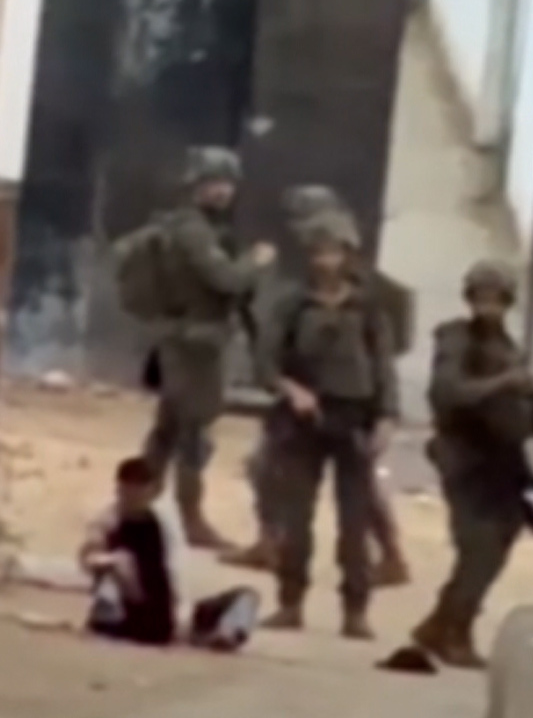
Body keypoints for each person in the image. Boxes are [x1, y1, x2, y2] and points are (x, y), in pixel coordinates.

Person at [223, 185, 413, 588]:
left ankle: (388, 554)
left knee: (354, 483)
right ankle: (272, 541)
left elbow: (388, 344)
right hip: (301, 392)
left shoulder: (368, 290)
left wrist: (376, 398)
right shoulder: (302, 284)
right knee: (269, 468)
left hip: (346, 399)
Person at [254, 210, 397, 639]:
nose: (326, 261)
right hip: (302, 421)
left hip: (353, 418)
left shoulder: (368, 306)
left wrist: (387, 417)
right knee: (295, 517)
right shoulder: (291, 303)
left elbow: (383, 365)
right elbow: (265, 362)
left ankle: (355, 609)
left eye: (335, 252)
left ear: (349, 256)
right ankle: (290, 601)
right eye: (318, 252)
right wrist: (290, 389)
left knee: (354, 523)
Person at [136, 147, 276, 550]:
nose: (222, 191)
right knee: (193, 433)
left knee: (168, 430)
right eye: (214, 182)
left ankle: (139, 501)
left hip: (191, 342)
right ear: (194, 184)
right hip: (194, 346)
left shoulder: (203, 228)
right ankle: (190, 518)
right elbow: (226, 280)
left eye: (227, 183)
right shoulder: (191, 230)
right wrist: (256, 261)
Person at [410, 260, 533, 667]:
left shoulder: (506, 345)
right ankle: (455, 630)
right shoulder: (456, 339)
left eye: (497, 299)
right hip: (465, 457)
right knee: (479, 548)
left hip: (502, 461)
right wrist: (504, 383)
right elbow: (448, 393)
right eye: (482, 298)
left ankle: (439, 623)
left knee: (497, 544)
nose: (489, 307)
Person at [80, 457, 260, 651]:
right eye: (128, 490)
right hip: (134, 614)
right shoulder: (110, 519)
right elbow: (90, 552)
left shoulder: (164, 519)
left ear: (151, 491)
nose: (133, 497)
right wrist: (110, 562)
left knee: (247, 596)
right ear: (119, 490)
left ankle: (225, 635)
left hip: (170, 614)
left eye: (139, 490)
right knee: (116, 567)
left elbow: (176, 574)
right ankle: (117, 620)